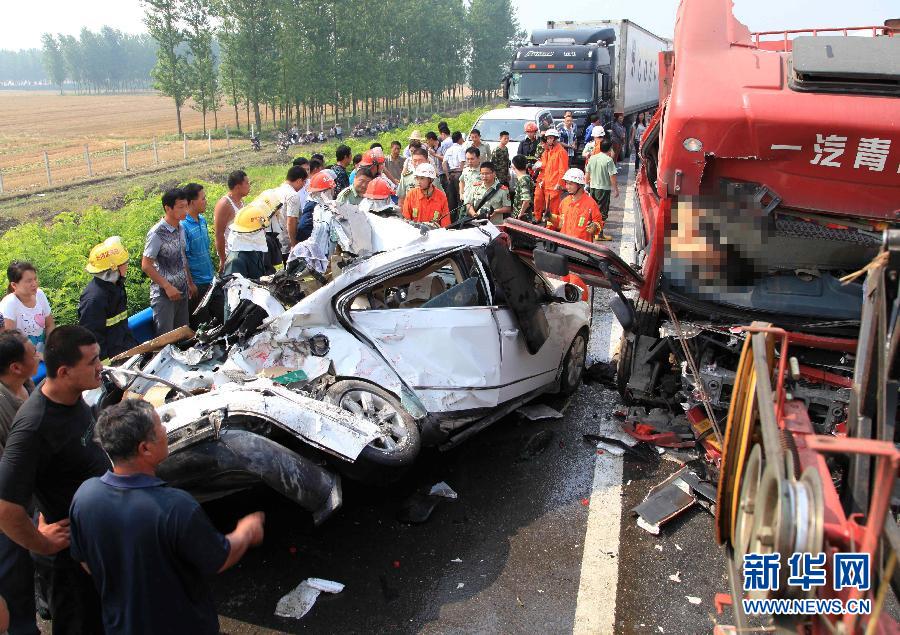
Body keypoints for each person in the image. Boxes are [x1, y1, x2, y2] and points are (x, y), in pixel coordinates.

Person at [69, 399, 265, 635]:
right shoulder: (175, 507)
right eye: (161, 426)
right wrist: (245, 532)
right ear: (145, 449)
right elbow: (220, 559)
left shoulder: (84, 497)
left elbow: (85, 561)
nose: (165, 430)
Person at [0, 326, 109, 635]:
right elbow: (5, 510)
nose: (100, 366)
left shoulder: (74, 398)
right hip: (68, 561)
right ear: (63, 371)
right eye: (92, 361)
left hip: (93, 542)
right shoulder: (33, 427)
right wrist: (42, 543)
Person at [0, 331, 39, 635]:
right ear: (15, 367)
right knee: (14, 575)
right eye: (31, 351)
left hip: (33, 496)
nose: (38, 354)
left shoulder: (26, 385)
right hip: (10, 507)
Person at [142, 188, 196, 336]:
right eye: (181, 207)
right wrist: (167, 287)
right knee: (166, 340)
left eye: (186, 206)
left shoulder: (181, 227)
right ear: (168, 208)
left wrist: (189, 282)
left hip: (182, 291)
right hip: (164, 295)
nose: (185, 210)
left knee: (183, 335)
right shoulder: (157, 233)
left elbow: (182, 257)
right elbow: (146, 265)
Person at [78, 237, 137, 360]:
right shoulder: (94, 299)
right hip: (111, 359)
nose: (127, 265)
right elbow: (92, 338)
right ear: (113, 269)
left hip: (125, 348)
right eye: (124, 263)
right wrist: (105, 370)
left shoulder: (116, 285)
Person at [179, 183, 224, 329]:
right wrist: (190, 283)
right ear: (191, 202)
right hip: (197, 285)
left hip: (210, 279)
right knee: (203, 326)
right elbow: (183, 258)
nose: (206, 201)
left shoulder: (202, 220)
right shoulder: (183, 227)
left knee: (222, 316)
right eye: (203, 199)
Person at [1, 262, 54, 356]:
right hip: (22, 358)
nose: (34, 284)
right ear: (14, 285)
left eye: (35, 279)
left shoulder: (40, 294)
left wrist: (51, 347)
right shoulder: (9, 303)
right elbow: (10, 342)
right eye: (29, 281)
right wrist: (36, 355)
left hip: (43, 354)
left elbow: (50, 324)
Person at [223, 196, 276, 280]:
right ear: (250, 234)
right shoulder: (236, 261)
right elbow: (235, 289)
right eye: (261, 230)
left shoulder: (254, 250)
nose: (264, 233)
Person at [547, 168, 604, 242]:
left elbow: (599, 223)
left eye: (570, 184)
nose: (567, 187)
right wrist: (551, 217)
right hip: (564, 244)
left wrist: (595, 227)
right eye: (566, 183)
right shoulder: (565, 202)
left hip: (582, 247)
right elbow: (562, 224)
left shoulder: (591, 204)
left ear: (579, 185)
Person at [213, 170, 250, 274]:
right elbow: (219, 234)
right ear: (238, 186)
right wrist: (223, 259)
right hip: (231, 256)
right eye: (247, 183)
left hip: (243, 252)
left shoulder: (241, 201)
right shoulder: (224, 204)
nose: (249, 186)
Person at [271, 166, 308, 264]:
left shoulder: (276, 191)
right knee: (293, 271)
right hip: (288, 240)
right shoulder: (292, 195)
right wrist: (293, 243)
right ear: (299, 180)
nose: (304, 186)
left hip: (278, 238)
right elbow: (291, 220)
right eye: (304, 182)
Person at [533, 128, 568, 228]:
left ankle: (552, 228)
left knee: (553, 207)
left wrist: (560, 184)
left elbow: (563, 170)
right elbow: (546, 168)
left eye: (551, 138)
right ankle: (544, 221)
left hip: (554, 185)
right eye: (548, 138)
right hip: (547, 183)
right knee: (543, 203)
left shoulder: (561, 152)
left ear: (555, 138)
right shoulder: (548, 151)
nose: (549, 140)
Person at [291, 170, 336, 247]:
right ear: (323, 192)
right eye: (331, 189)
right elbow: (302, 228)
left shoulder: (322, 205)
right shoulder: (313, 206)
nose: (333, 192)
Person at [585, 139, 619, 239]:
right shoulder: (609, 160)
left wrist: (586, 184)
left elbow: (587, 173)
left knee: (594, 210)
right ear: (609, 149)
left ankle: (593, 231)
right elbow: (612, 176)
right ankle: (599, 234)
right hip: (604, 189)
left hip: (593, 188)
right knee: (602, 213)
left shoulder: (593, 158)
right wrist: (616, 189)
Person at [402, 163, 450, 228]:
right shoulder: (411, 195)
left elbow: (446, 224)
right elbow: (406, 219)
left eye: (422, 178)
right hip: (415, 233)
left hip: (434, 235)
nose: (419, 181)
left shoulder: (441, 197)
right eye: (417, 178)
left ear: (431, 179)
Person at [442, 131, 466, 218]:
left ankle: (451, 218)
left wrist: (447, 175)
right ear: (460, 139)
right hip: (458, 174)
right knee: (460, 196)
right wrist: (461, 172)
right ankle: (460, 217)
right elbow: (462, 162)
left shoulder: (449, 150)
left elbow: (444, 164)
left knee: (451, 199)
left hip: (451, 174)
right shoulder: (460, 149)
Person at [510, 155, 535, 222]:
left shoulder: (523, 180)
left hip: (522, 218)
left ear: (513, 166)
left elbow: (526, 200)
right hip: (526, 214)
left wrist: (520, 214)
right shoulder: (527, 177)